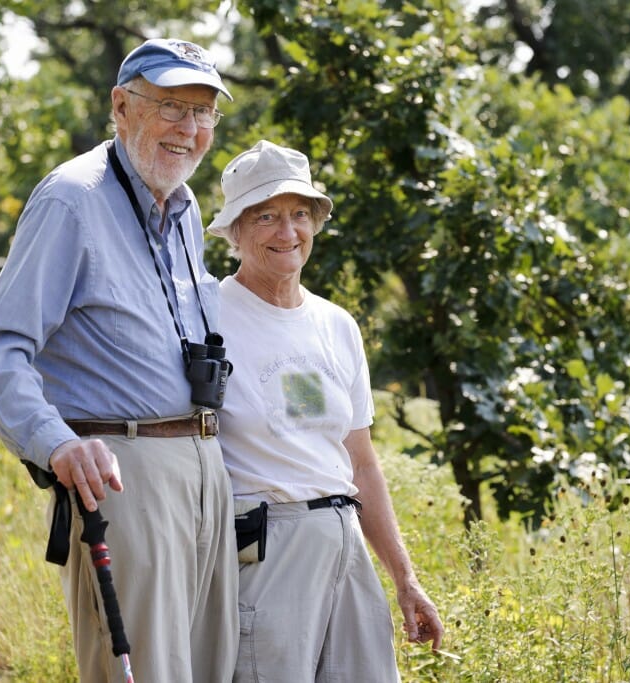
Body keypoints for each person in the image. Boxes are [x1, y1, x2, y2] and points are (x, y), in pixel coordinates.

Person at [0, 38, 238, 683]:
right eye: (171, 106)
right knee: (143, 673)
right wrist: (56, 444)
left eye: (203, 113)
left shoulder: (185, 205)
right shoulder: (72, 199)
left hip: (204, 465)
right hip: (126, 474)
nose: (189, 129)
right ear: (121, 106)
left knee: (211, 669)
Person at [205, 140, 445, 682]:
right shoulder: (207, 315)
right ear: (235, 231)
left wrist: (404, 578)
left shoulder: (336, 324)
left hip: (345, 540)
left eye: (298, 215)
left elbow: (360, 462)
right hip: (264, 547)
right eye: (265, 216)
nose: (286, 233)